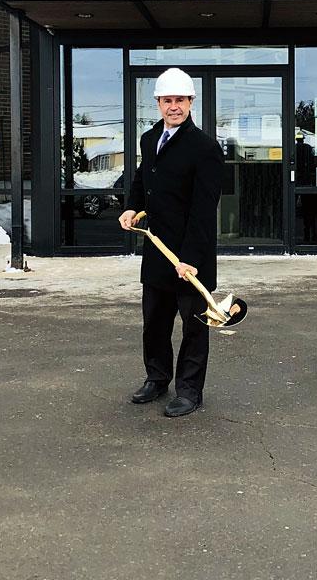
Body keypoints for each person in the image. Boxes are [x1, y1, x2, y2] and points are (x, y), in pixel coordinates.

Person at [119, 68, 224, 417]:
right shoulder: (150, 140)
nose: (173, 106)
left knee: (194, 326)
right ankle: (157, 377)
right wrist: (133, 207)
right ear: (158, 104)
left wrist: (191, 258)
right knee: (155, 322)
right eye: (167, 100)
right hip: (158, 250)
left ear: (191, 102)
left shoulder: (205, 147)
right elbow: (141, 176)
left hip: (191, 256)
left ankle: (190, 391)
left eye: (180, 100)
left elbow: (205, 209)